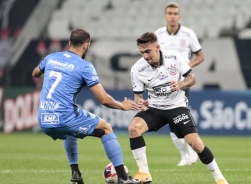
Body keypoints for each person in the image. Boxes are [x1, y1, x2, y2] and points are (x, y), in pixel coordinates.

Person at [32, 28, 141, 184]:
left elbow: (35, 73)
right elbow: (104, 99)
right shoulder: (84, 66)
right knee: (106, 129)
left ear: (70, 43)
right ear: (86, 46)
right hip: (64, 118)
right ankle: (124, 179)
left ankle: (76, 175)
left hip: (44, 119)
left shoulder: (51, 58)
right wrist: (122, 106)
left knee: (70, 133)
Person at [129, 32, 228, 184]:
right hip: (155, 108)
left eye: (148, 51)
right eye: (142, 52)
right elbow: (138, 97)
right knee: (134, 129)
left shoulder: (174, 57)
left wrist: (180, 85)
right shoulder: (137, 69)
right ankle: (144, 173)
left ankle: (219, 178)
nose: (145, 56)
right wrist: (141, 103)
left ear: (157, 47)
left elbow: (191, 78)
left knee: (195, 143)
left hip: (177, 107)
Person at [155, 2, 205, 167]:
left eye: (175, 13)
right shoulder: (158, 34)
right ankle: (184, 154)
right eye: (169, 13)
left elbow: (200, 56)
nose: (172, 16)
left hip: (182, 81)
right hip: (163, 81)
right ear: (165, 16)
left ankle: (191, 148)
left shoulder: (188, 34)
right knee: (171, 118)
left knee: (179, 114)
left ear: (179, 16)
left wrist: (189, 67)